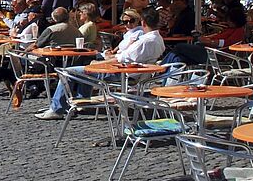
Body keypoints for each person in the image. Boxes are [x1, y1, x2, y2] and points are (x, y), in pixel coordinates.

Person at [37, 7, 165, 119]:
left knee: (68, 72)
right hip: (133, 73)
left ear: (142, 22)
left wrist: (96, 65)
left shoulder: (144, 41)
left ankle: (56, 109)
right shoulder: (158, 40)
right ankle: (82, 101)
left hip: (122, 73)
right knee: (82, 70)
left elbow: (121, 59)